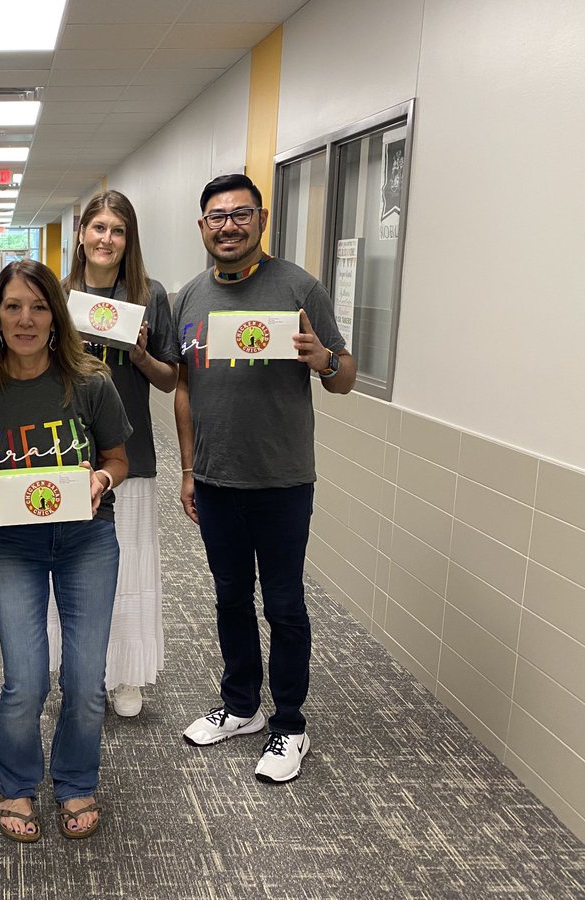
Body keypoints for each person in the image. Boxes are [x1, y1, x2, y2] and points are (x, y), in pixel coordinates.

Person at [173, 174, 356, 783]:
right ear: (203, 227)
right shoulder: (190, 296)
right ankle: (242, 705)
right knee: (230, 598)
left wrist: (323, 359)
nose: (229, 225)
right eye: (217, 216)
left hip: (281, 479)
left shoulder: (298, 286)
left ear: (261, 219)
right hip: (216, 478)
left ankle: (289, 726)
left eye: (240, 214)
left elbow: (345, 373)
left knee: (282, 603)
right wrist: (187, 468)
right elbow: (183, 386)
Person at [0, 259, 131, 842]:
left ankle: (77, 780)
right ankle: (17, 783)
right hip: (13, 546)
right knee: (26, 679)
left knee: (84, 676)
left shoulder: (91, 382)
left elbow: (117, 460)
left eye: (37, 305)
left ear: (56, 313)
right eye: (12, 307)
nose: (25, 319)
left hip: (87, 540)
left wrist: (102, 482)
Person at [49, 190, 176, 718]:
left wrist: (140, 353)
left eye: (117, 230)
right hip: (63, 452)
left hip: (130, 454)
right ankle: (79, 672)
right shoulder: (58, 293)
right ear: (81, 235)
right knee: (71, 567)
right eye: (98, 227)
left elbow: (170, 380)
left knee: (128, 566)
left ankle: (125, 675)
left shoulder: (151, 294)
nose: (106, 239)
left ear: (129, 240)